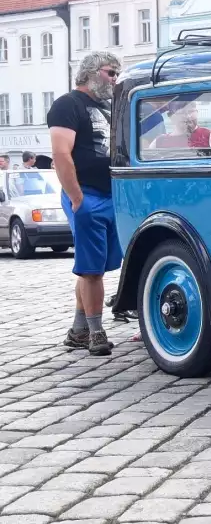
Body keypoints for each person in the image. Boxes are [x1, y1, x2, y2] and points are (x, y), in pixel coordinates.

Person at [47, 52, 125, 356]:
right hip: (87, 194)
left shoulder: (107, 106)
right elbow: (61, 155)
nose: (115, 78)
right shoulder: (68, 104)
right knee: (92, 271)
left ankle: (78, 330)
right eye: (111, 73)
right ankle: (96, 333)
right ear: (91, 72)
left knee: (95, 269)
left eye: (117, 73)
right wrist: (78, 199)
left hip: (107, 195)